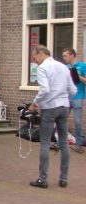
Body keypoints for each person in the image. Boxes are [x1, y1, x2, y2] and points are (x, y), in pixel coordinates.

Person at [29, 45, 76, 189]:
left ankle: (43, 179)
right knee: (63, 142)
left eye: (34, 56)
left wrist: (35, 103)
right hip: (64, 106)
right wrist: (63, 97)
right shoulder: (63, 67)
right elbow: (73, 90)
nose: (33, 59)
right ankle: (63, 178)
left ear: (42, 53)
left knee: (44, 142)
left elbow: (45, 90)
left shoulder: (43, 68)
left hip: (49, 108)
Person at [62, 48, 86, 153]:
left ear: (72, 55)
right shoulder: (65, 67)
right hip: (66, 98)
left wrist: (78, 76)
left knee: (77, 121)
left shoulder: (82, 66)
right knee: (62, 120)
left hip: (78, 97)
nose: (64, 58)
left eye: (65, 56)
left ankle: (79, 145)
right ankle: (61, 142)